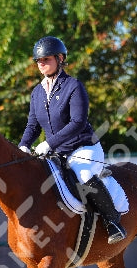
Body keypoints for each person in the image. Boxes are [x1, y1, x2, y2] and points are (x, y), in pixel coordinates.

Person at [18, 36, 127, 244]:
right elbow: (32, 126)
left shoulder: (73, 86)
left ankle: (113, 221)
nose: (41, 64)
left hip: (84, 147)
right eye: (38, 61)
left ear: (60, 58)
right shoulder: (37, 93)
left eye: (46, 59)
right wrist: (23, 145)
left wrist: (49, 143)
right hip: (56, 152)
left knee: (84, 174)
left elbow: (78, 122)